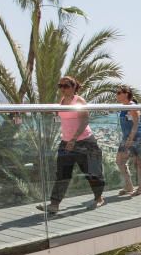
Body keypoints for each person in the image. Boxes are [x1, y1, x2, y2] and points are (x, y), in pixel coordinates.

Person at [37, 76, 105, 213]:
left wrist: (73, 139)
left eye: (66, 86)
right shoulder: (62, 101)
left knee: (91, 172)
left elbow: (85, 120)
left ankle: (99, 198)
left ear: (74, 87)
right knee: (62, 173)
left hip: (84, 142)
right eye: (60, 86)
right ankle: (54, 204)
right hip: (66, 142)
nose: (62, 88)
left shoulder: (79, 101)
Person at [114, 85, 141, 196]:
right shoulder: (124, 106)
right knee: (119, 161)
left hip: (135, 137)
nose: (116, 95)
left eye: (119, 93)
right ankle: (129, 186)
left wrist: (131, 139)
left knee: (138, 162)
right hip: (126, 137)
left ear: (126, 94)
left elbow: (136, 123)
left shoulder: (132, 106)